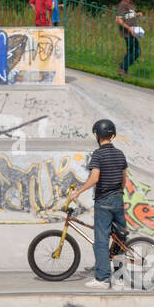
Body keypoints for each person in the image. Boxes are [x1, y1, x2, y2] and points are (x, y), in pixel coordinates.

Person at [63, 119, 130, 288]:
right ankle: (119, 277)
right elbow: (124, 180)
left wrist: (78, 192)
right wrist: (117, 193)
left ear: (98, 135)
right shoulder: (120, 154)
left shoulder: (98, 154)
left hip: (104, 201)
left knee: (101, 240)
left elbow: (94, 178)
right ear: (112, 135)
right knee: (119, 238)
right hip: (118, 199)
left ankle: (102, 279)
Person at [115, 0, 144, 76]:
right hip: (127, 33)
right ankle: (122, 68)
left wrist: (137, 14)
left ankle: (124, 70)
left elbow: (129, 16)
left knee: (132, 52)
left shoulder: (131, 5)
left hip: (133, 32)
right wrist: (129, 28)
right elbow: (118, 20)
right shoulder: (122, 4)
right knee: (136, 52)